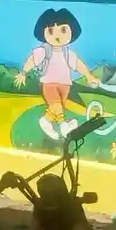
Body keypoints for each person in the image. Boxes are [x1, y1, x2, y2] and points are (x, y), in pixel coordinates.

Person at [14, 7, 96, 138]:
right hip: (49, 83)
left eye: (63, 30)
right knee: (56, 104)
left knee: (57, 107)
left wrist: (89, 76)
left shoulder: (67, 53)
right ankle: (64, 127)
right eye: (51, 31)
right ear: (43, 33)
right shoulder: (44, 51)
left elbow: (78, 64)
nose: (57, 35)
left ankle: (46, 121)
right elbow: (33, 60)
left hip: (65, 84)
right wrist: (23, 72)